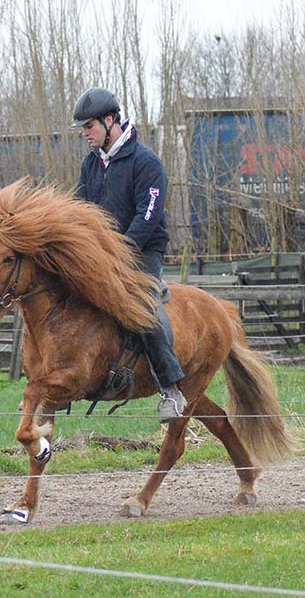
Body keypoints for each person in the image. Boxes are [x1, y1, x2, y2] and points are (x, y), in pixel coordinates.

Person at [71, 87, 187, 423]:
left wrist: (117, 252)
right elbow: (80, 211)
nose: (85, 134)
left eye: (89, 126)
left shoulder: (146, 162)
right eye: (82, 128)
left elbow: (147, 217)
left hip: (141, 252)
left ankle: (170, 390)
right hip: (101, 257)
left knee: (142, 309)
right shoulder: (90, 165)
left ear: (110, 121)